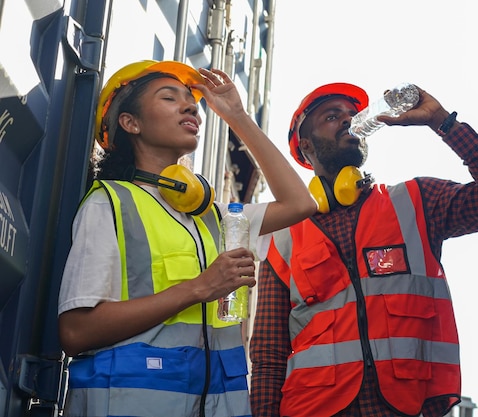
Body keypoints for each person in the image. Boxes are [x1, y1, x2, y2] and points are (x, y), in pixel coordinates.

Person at [249, 82, 478, 417]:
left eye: (352, 115)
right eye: (331, 116)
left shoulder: (416, 203)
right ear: (306, 145)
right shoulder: (282, 237)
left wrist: (443, 122)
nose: (347, 120)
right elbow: (268, 355)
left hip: (404, 408)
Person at [57, 60, 317, 417]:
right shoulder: (111, 202)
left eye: (191, 101)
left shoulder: (214, 215)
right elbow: (76, 331)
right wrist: (200, 288)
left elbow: (300, 203)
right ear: (130, 123)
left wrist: (237, 116)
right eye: (169, 98)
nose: (191, 106)